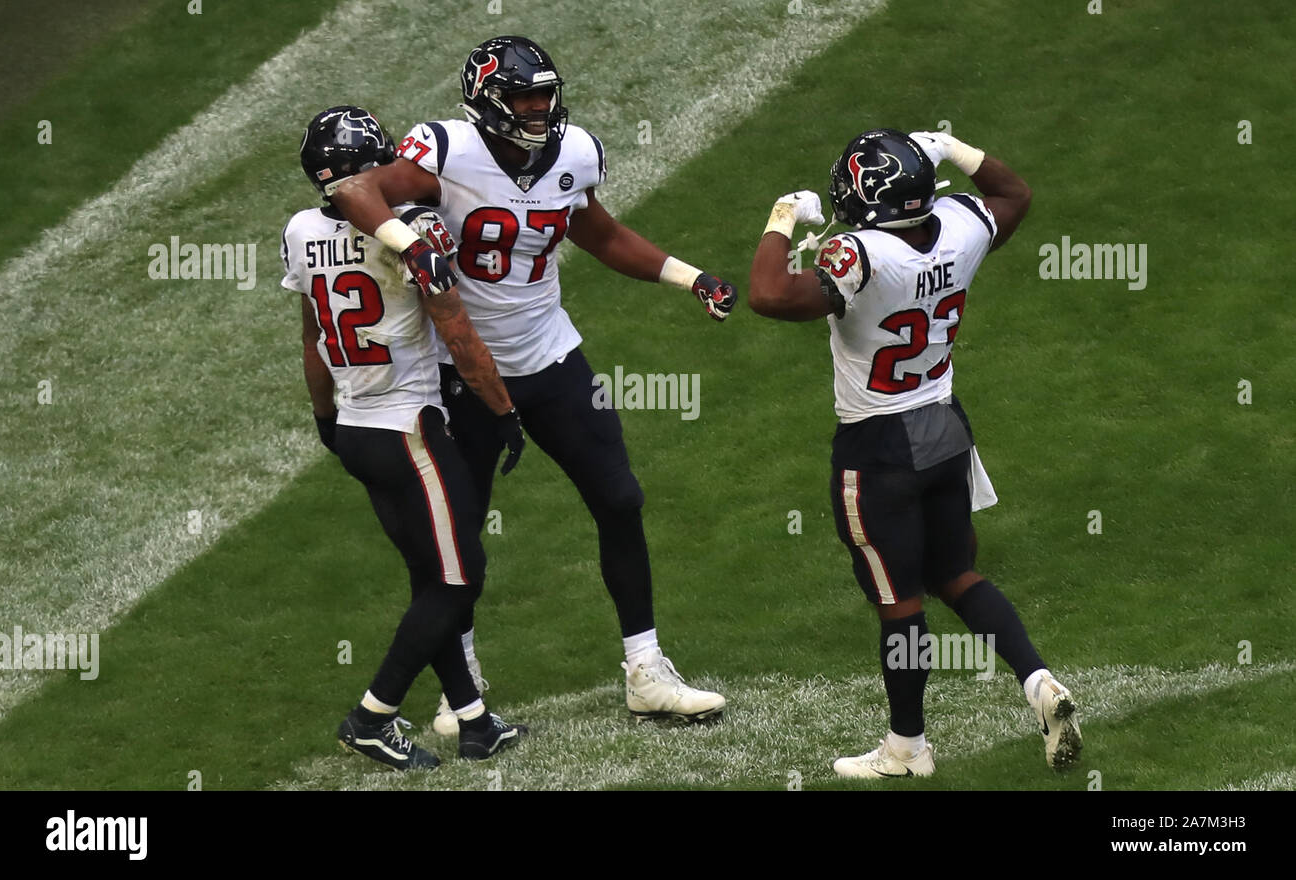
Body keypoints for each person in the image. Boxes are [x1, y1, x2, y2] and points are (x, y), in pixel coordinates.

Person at [330, 37, 736, 732]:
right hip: (463, 375)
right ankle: (463, 691)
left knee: (619, 497)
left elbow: (599, 234)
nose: (539, 108)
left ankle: (645, 668)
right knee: (458, 543)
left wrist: (689, 276)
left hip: (552, 357)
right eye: (523, 97)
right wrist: (407, 241)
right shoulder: (446, 149)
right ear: (488, 104)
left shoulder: (574, 152)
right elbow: (357, 190)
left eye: (544, 93)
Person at [747, 127, 1081, 778]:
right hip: (945, 426)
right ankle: (1038, 680)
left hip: (877, 446)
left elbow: (767, 295)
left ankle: (907, 749)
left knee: (899, 604)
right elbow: (1014, 192)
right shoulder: (961, 224)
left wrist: (780, 222)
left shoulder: (861, 253)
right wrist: (956, 149)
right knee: (957, 575)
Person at [283, 105, 528, 770]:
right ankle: (373, 715)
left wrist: (324, 417)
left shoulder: (301, 230)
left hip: (357, 426)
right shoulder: (412, 232)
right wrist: (503, 410)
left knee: (430, 574)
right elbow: (455, 328)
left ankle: (475, 720)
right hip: (408, 426)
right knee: (460, 578)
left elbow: (311, 336)